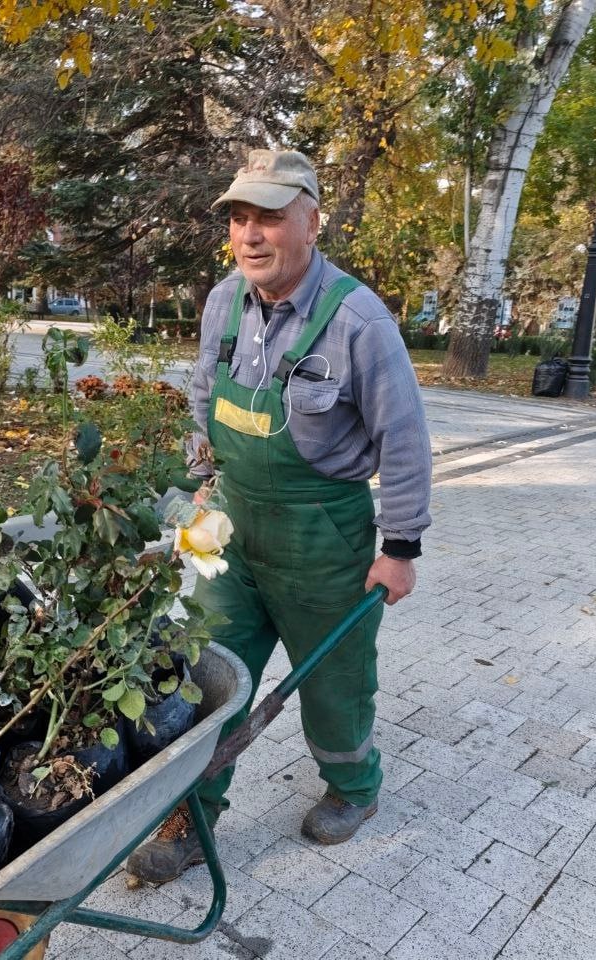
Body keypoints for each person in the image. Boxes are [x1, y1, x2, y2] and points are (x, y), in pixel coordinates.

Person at [127, 149, 432, 883]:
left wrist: (400, 548)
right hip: (234, 533)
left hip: (323, 540)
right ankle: (193, 813)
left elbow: (404, 437)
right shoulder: (223, 301)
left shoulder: (358, 319)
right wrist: (201, 481)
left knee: (334, 683)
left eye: (268, 216)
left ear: (311, 223)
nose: (250, 234)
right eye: (239, 218)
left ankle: (353, 787)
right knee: (207, 678)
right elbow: (205, 396)